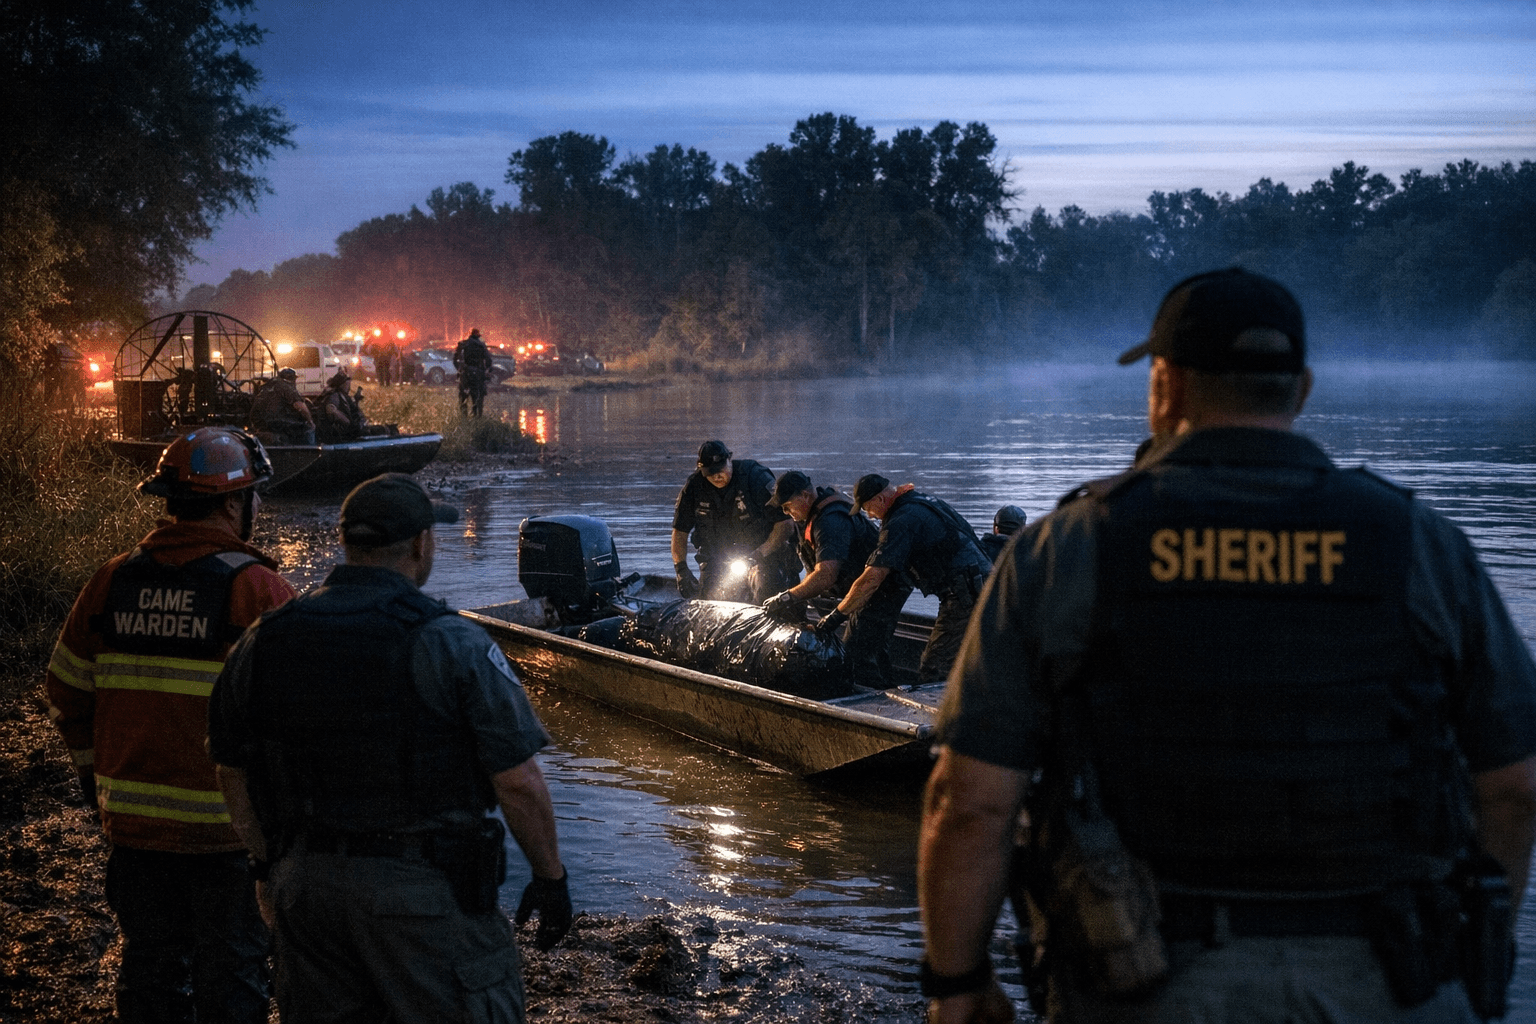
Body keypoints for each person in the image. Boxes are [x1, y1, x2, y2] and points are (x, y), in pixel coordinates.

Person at [918, 267, 1536, 1024]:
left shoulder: (1070, 547)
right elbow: (1512, 789)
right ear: (1301, 389)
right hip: (1397, 977)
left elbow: (970, 801)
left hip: (1145, 980)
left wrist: (958, 984)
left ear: (1165, 386)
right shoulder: (1418, 541)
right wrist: (1479, 960)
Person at [208, 473, 573, 1022]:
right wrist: (550, 879)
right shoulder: (448, 640)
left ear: (346, 542)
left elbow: (230, 768)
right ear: (422, 544)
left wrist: (267, 868)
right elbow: (518, 780)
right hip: (421, 895)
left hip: (306, 889)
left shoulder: (268, 636)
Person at [44, 428, 295, 1024]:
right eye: (254, 497)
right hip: (229, 838)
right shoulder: (257, 590)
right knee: (233, 975)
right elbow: (304, 717)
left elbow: (65, 691)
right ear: (235, 503)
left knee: (150, 972)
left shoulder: (111, 580)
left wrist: (94, 782)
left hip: (134, 831)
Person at [816, 475, 991, 686]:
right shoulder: (922, 501)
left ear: (880, 500)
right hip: (981, 584)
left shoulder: (901, 520)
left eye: (868, 509)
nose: (870, 516)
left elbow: (872, 577)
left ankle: (940, 714)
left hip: (966, 594)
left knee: (935, 666)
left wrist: (836, 616)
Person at [761, 471, 914, 688]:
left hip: (879, 587)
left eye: (787, 506)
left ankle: (875, 702)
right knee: (869, 644)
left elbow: (825, 574)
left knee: (856, 652)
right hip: (860, 588)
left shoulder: (831, 521)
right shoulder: (813, 514)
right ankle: (884, 682)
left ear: (805, 495)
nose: (786, 512)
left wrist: (786, 597)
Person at [671, 439, 797, 603]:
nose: (717, 476)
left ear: (729, 460)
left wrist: (759, 554)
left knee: (765, 588)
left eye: (720, 470)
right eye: (710, 472)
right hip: (716, 558)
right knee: (710, 600)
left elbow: (785, 524)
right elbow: (679, 532)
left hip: (761, 555)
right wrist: (681, 569)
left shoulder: (755, 477)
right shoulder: (694, 487)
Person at [249, 367, 315, 445]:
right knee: (309, 428)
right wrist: (310, 421)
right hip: (279, 425)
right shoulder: (287, 387)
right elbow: (301, 407)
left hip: (261, 425)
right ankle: (310, 453)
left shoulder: (265, 387)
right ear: (292, 379)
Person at [315, 369, 365, 443]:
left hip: (349, 431)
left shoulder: (342, 395)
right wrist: (346, 421)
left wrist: (356, 400)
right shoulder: (334, 395)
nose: (349, 386)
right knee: (379, 431)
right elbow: (330, 409)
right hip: (343, 435)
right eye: (348, 383)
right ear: (342, 384)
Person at [454, 328, 495, 417]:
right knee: (478, 398)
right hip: (478, 374)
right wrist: (488, 370)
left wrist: (460, 369)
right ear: (478, 336)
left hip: (465, 374)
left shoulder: (463, 344)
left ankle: (463, 418)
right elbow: (488, 360)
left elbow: (455, 359)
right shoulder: (481, 345)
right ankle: (477, 417)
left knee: (463, 398)